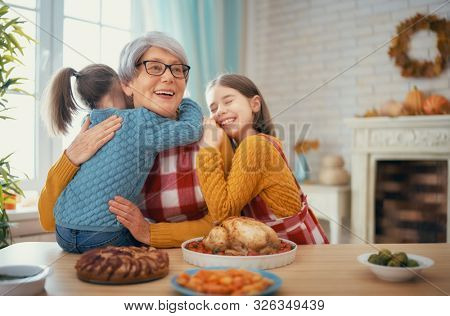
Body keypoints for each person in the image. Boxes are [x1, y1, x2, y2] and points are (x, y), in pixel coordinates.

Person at [38, 32, 233, 249]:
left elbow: (225, 221)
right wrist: (70, 158)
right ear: (127, 84)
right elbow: (48, 220)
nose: (169, 77)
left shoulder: (212, 136)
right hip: (115, 261)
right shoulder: (100, 134)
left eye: (177, 69)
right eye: (155, 67)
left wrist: (151, 233)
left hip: (188, 260)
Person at [110, 74, 329, 245]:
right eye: (213, 108)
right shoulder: (250, 147)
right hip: (283, 251)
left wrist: (207, 149)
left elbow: (223, 215)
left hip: (301, 253)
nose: (220, 112)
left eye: (228, 101)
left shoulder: (256, 146)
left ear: (254, 104)